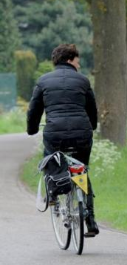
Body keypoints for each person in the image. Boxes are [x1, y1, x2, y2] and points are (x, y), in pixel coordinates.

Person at [27, 43, 99, 237]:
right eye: (78, 61)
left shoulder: (43, 81)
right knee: (82, 170)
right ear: (69, 60)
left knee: (49, 159)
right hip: (82, 133)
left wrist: (32, 129)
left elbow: (34, 110)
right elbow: (92, 110)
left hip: (55, 134)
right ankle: (90, 220)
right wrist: (91, 126)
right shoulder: (83, 81)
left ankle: (52, 194)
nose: (79, 65)